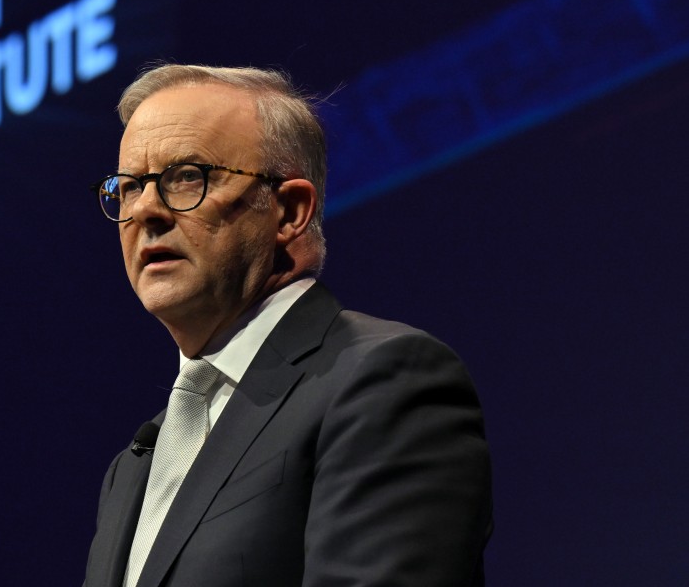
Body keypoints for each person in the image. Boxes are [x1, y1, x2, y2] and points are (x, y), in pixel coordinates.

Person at [83, 64, 492, 587]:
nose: (145, 210)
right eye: (128, 187)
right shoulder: (134, 467)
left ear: (290, 211)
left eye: (186, 176)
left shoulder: (382, 380)